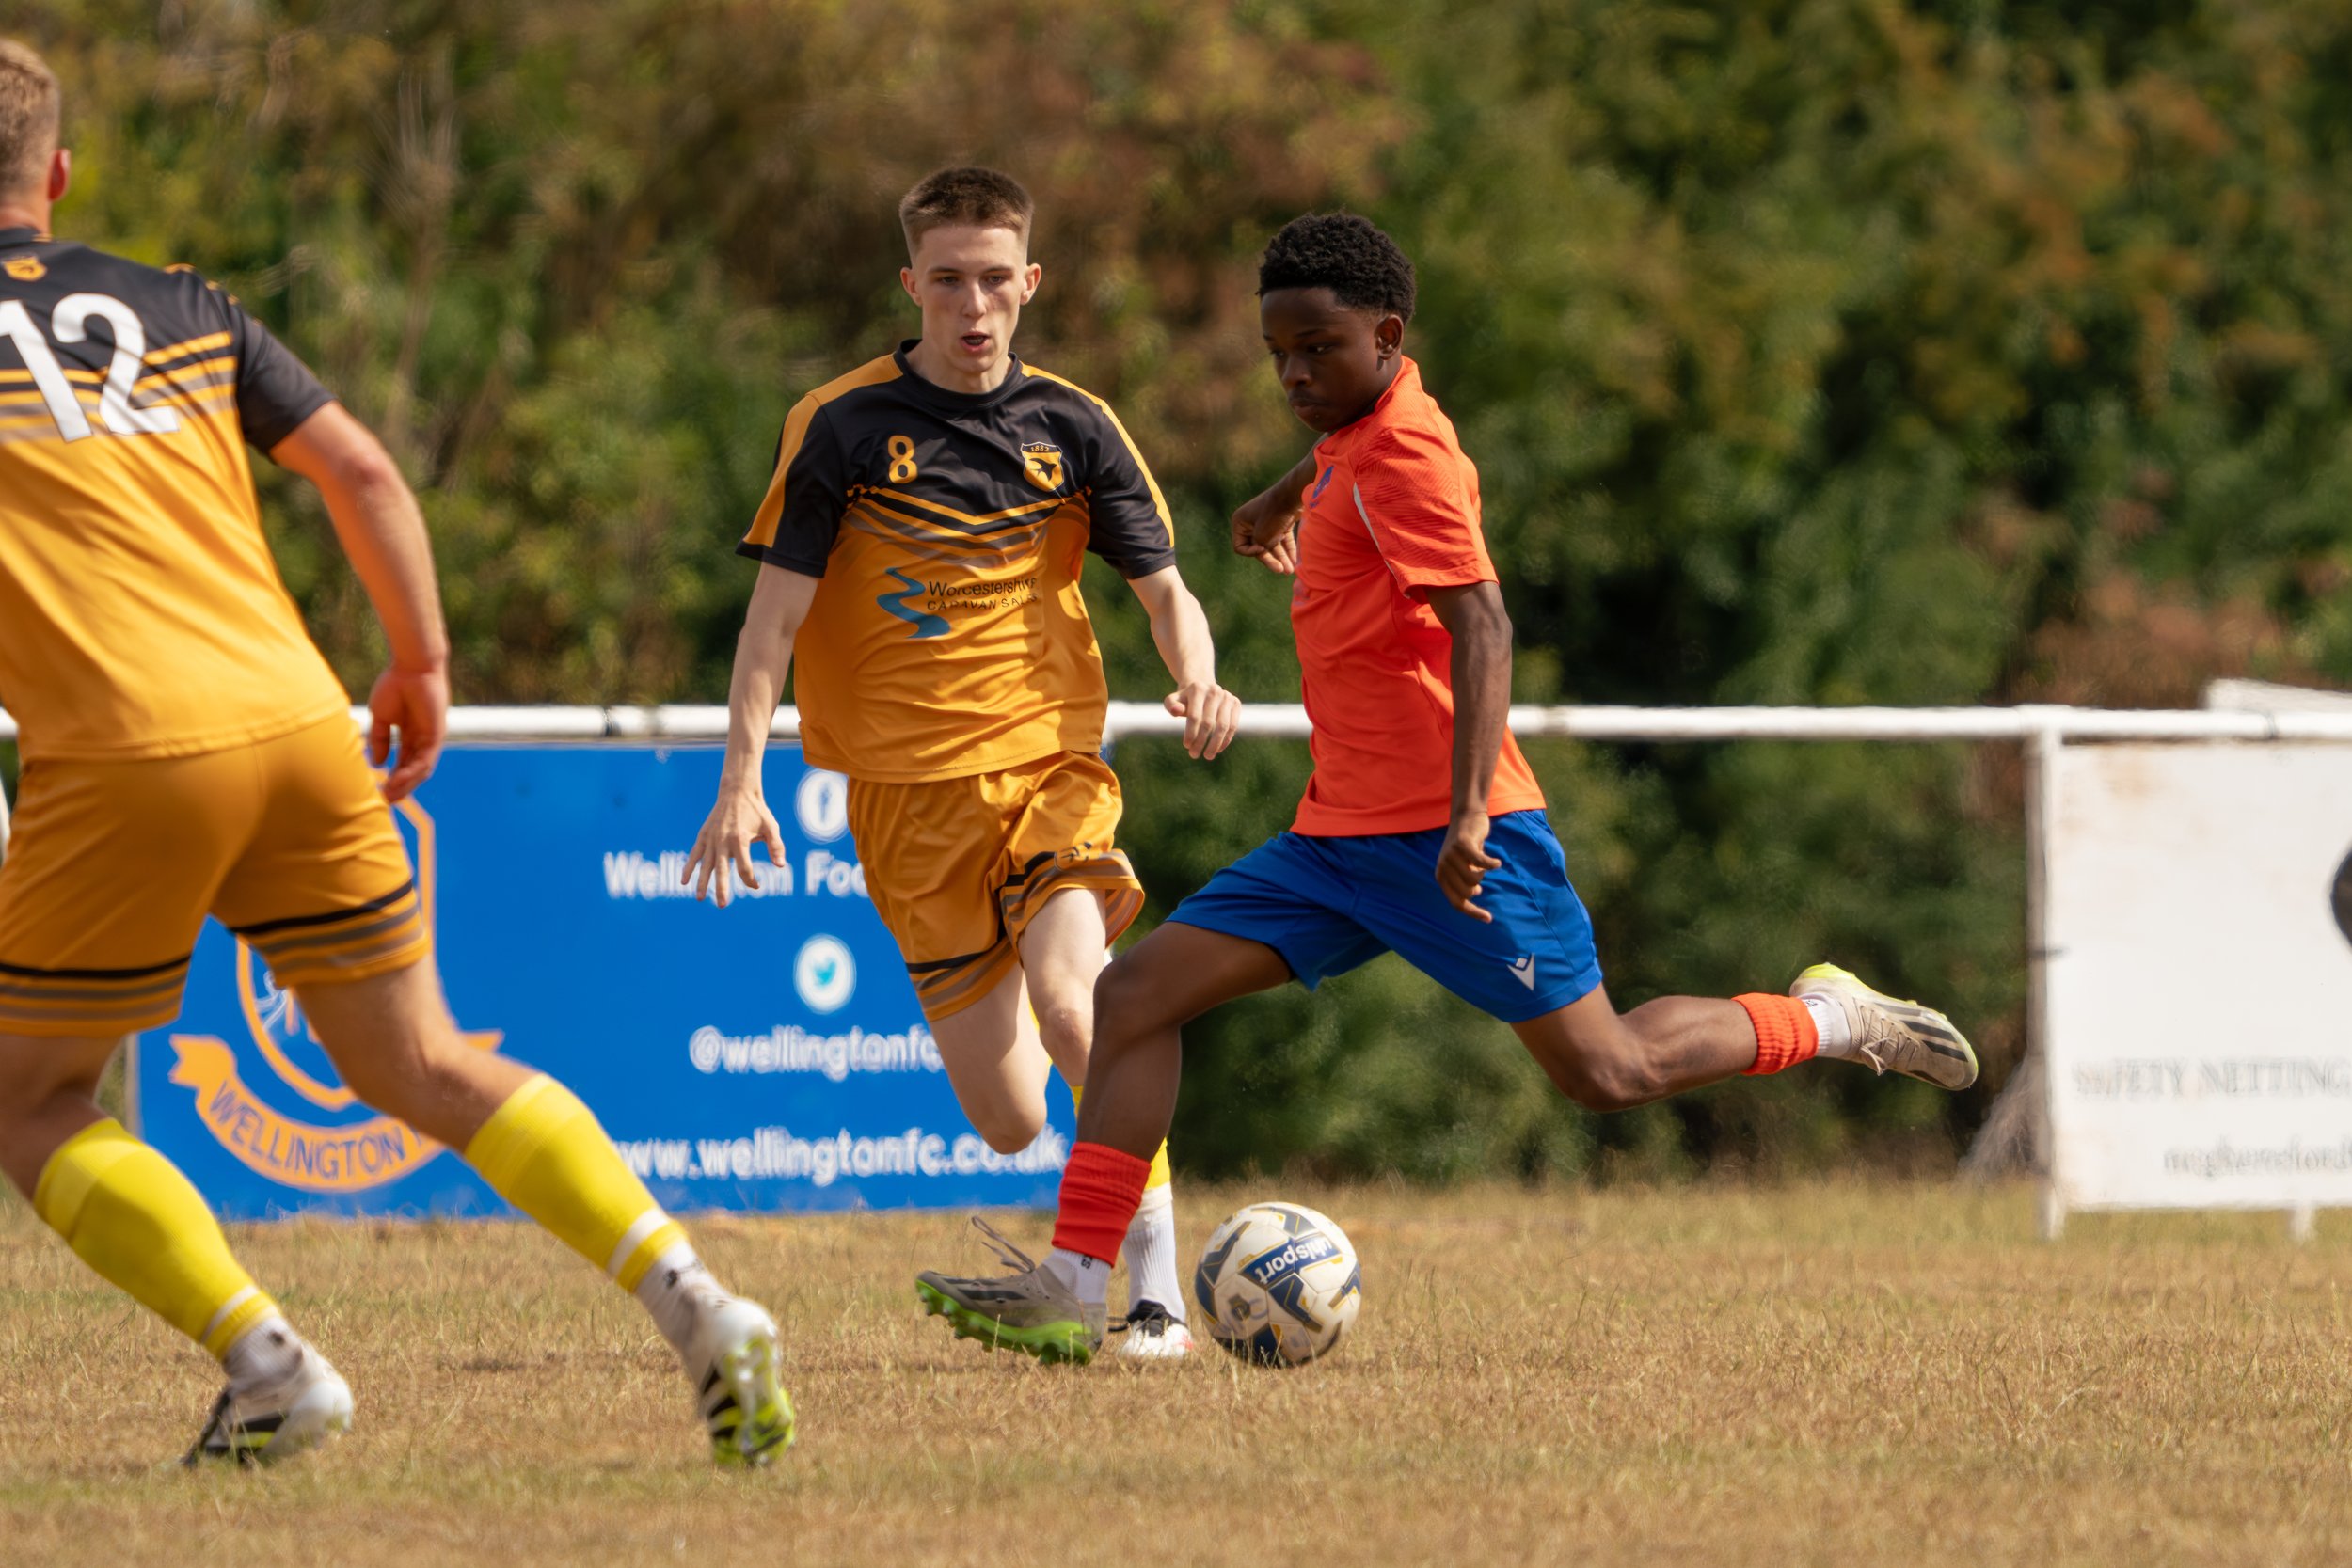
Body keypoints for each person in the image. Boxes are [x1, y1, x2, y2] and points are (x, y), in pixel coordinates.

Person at [914, 212, 1979, 1361]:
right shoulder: (1356, 433)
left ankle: (1827, 1015)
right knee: (1131, 1000)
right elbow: (1346, 456)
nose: (1292, 375)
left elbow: (1484, 630)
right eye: (1277, 353)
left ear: (1386, 334)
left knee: (1607, 1068)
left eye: (1316, 351)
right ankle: (1081, 1280)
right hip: (1334, 842)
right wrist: (1285, 492)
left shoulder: (1407, 455)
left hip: (1452, 836)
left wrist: (1470, 814)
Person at [0, 40, 791, 1465]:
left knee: (34, 1095)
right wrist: (421, 659)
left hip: (123, 751)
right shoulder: (181, 304)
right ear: (57, 177)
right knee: (424, 1055)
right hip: (300, 718)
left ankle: (269, 1363)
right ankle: (703, 1302)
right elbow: (362, 470)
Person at [684, 167, 1237, 1359]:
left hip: (1048, 768)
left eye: (996, 280)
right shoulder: (837, 427)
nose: (973, 306)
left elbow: (1166, 591)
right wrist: (740, 782)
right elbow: (769, 628)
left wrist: (1194, 671)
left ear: (1030, 283)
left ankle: (1147, 1292)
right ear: (911, 284)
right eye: (948, 280)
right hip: (901, 805)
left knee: (1081, 1003)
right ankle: (1098, 1207)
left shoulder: (1077, 427)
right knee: (1005, 1116)